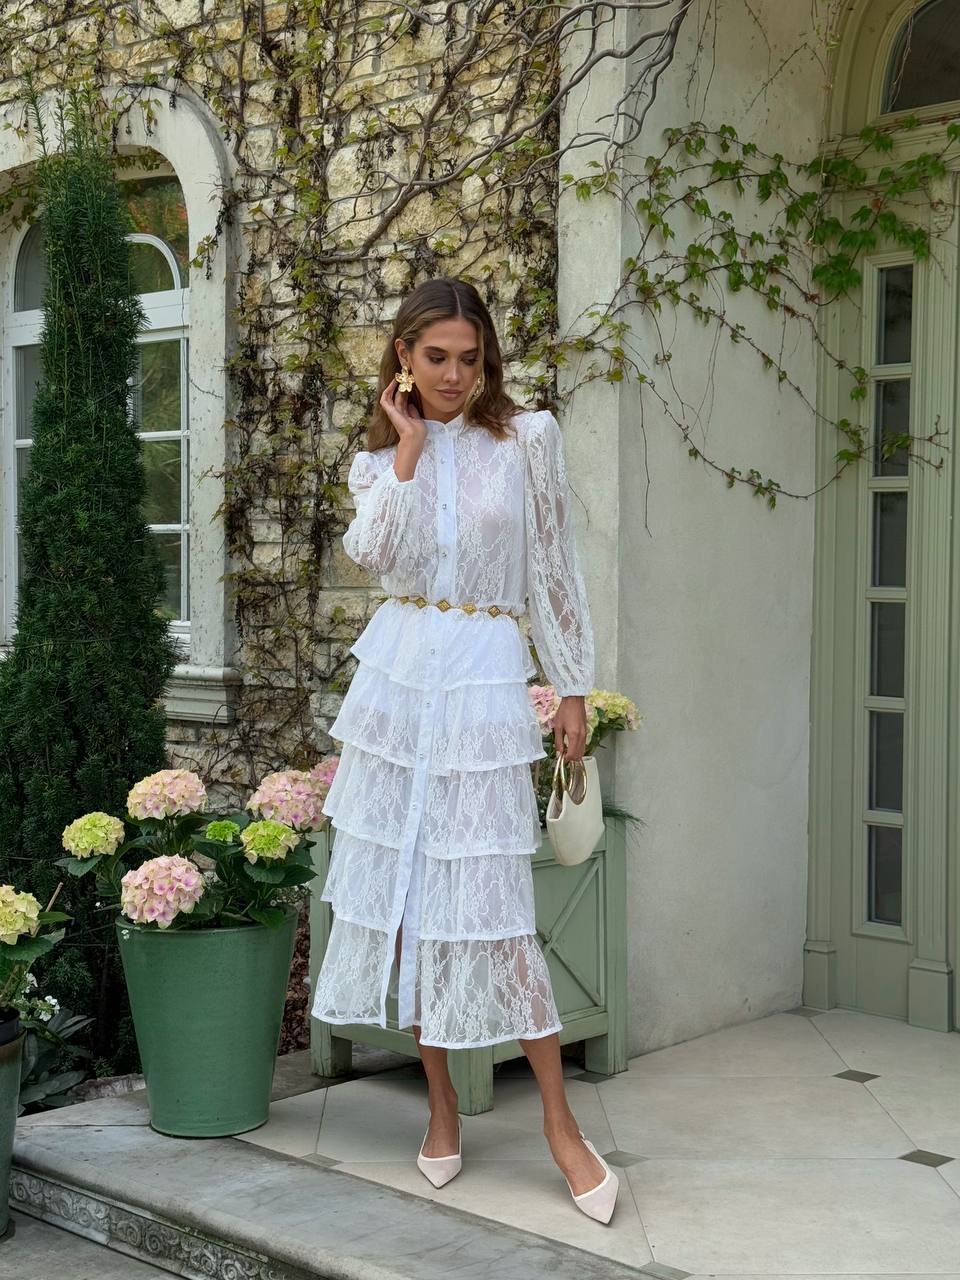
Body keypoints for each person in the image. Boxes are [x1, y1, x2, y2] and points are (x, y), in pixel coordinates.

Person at [311, 277, 618, 1224]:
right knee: (410, 898)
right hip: (401, 679)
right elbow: (373, 558)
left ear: (487, 359)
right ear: (403, 358)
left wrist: (571, 687)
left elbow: (557, 567)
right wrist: (405, 452)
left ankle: (561, 1128)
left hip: (486, 671)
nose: (452, 376)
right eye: (433, 357)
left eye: (468, 358)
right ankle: (442, 1105)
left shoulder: (528, 440)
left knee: (492, 900)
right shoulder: (378, 462)